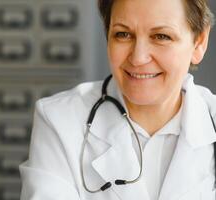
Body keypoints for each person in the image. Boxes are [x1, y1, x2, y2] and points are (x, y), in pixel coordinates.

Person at [19, 0, 216, 199]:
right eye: (123, 34)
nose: (138, 58)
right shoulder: (59, 120)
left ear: (199, 42)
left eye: (161, 36)